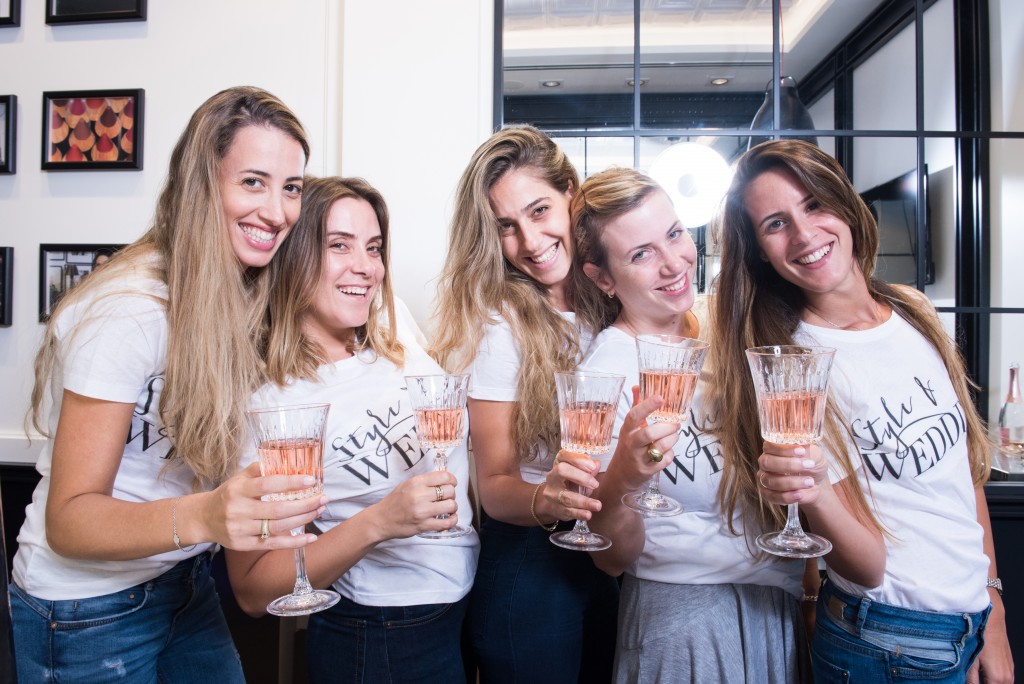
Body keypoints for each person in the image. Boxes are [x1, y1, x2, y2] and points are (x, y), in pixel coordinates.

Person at [9, 86, 323, 683]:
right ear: (202, 185)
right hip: (83, 610)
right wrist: (208, 515)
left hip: (180, 580)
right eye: (252, 182)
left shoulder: (235, 299)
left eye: (291, 188)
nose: (278, 211)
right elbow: (69, 521)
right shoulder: (129, 311)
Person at [712, 139, 1014, 683]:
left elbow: (963, 476)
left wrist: (992, 613)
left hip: (967, 624)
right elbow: (867, 566)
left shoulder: (913, 310)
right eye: (776, 224)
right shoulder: (796, 366)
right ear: (759, 251)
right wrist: (814, 492)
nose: (804, 234)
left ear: (845, 205)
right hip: (886, 644)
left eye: (814, 204)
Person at [225, 176, 479, 683]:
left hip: (459, 606)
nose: (366, 267)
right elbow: (253, 589)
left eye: (374, 247)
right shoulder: (271, 402)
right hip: (381, 634)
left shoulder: (392, 330)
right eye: (339, 245)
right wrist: (379, 522)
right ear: (293, 256)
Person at [568, 166, 810, 682]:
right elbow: (610, 559)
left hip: (775, 609)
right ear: (603, 278)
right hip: (682, 620)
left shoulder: (727, 332)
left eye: (674, 234)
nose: (673, 262)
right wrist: (625, 476)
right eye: (641, 254)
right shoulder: (605, 372)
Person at [431, 124, 618, 683]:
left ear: (570, 194)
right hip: (531, 565)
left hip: (612, 551)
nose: (531, 241)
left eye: (539, 211)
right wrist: (552, 497)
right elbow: (494, 486)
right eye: (506, 227)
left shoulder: (612, 300)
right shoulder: (499, 327)